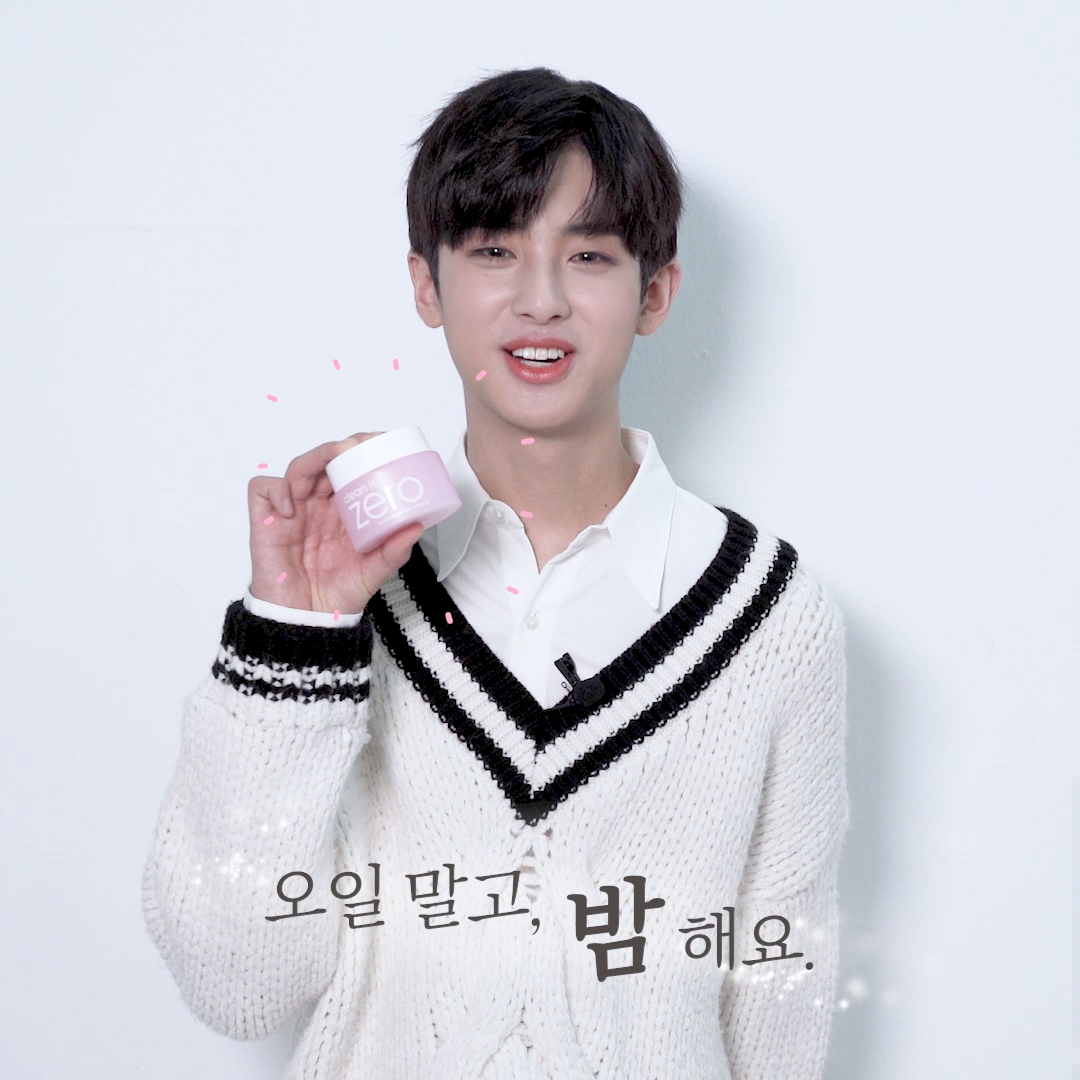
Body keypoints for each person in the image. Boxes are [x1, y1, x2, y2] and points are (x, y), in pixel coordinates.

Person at [142, 67, 850, 1079]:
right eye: (493, 250)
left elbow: (778, 999)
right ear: (426, 285)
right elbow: (238, 986)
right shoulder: (343, 587)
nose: (540, 299)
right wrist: (298, 636)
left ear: (655, 292)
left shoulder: (774, 617)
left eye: (590, 255)